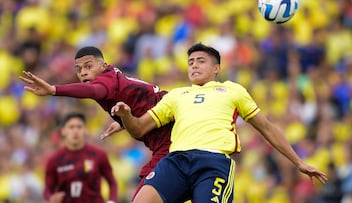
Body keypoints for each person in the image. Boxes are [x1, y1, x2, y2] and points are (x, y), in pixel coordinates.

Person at [111, 43, 328, 203]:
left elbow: (267, 128)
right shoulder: (177, 95)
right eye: (190, 62)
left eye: (201, 61)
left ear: (217, 68)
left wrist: (298, 162)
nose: (194, 66)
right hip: (176, 161)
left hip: (212, 163)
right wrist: (126, 116)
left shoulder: (233, 90)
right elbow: (139, 129)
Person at [19, 46, 173, 201]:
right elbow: (142, 101)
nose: (83, 72)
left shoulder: (104, 82)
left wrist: (54, 90)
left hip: (168, 139)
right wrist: (124, 123)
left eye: (88, 66)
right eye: (78, 70)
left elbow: (94, 91)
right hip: (167, 131)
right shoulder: (112, 78)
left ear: (103, 66)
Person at [43, 112, 118, 203]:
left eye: (79, 127)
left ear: (85, 130)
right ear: (63, 131)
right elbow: (47, 188)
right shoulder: (54, 160)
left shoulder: (98, 155)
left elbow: (112, 182)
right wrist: (51, 198)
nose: (75, 131)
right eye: (71, 127)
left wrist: (111, 201)